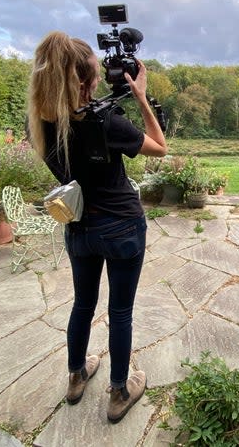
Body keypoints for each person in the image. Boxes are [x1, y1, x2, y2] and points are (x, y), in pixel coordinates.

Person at [27, 31, 167, 422]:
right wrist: (139, 95)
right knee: (120, 311)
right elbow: (160, 146)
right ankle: (119, 393)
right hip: (121, 226)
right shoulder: (107, 122)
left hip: (79, 229)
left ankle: (76, 377)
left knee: (82, 304)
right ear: (85, 82)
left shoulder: (38, 123)